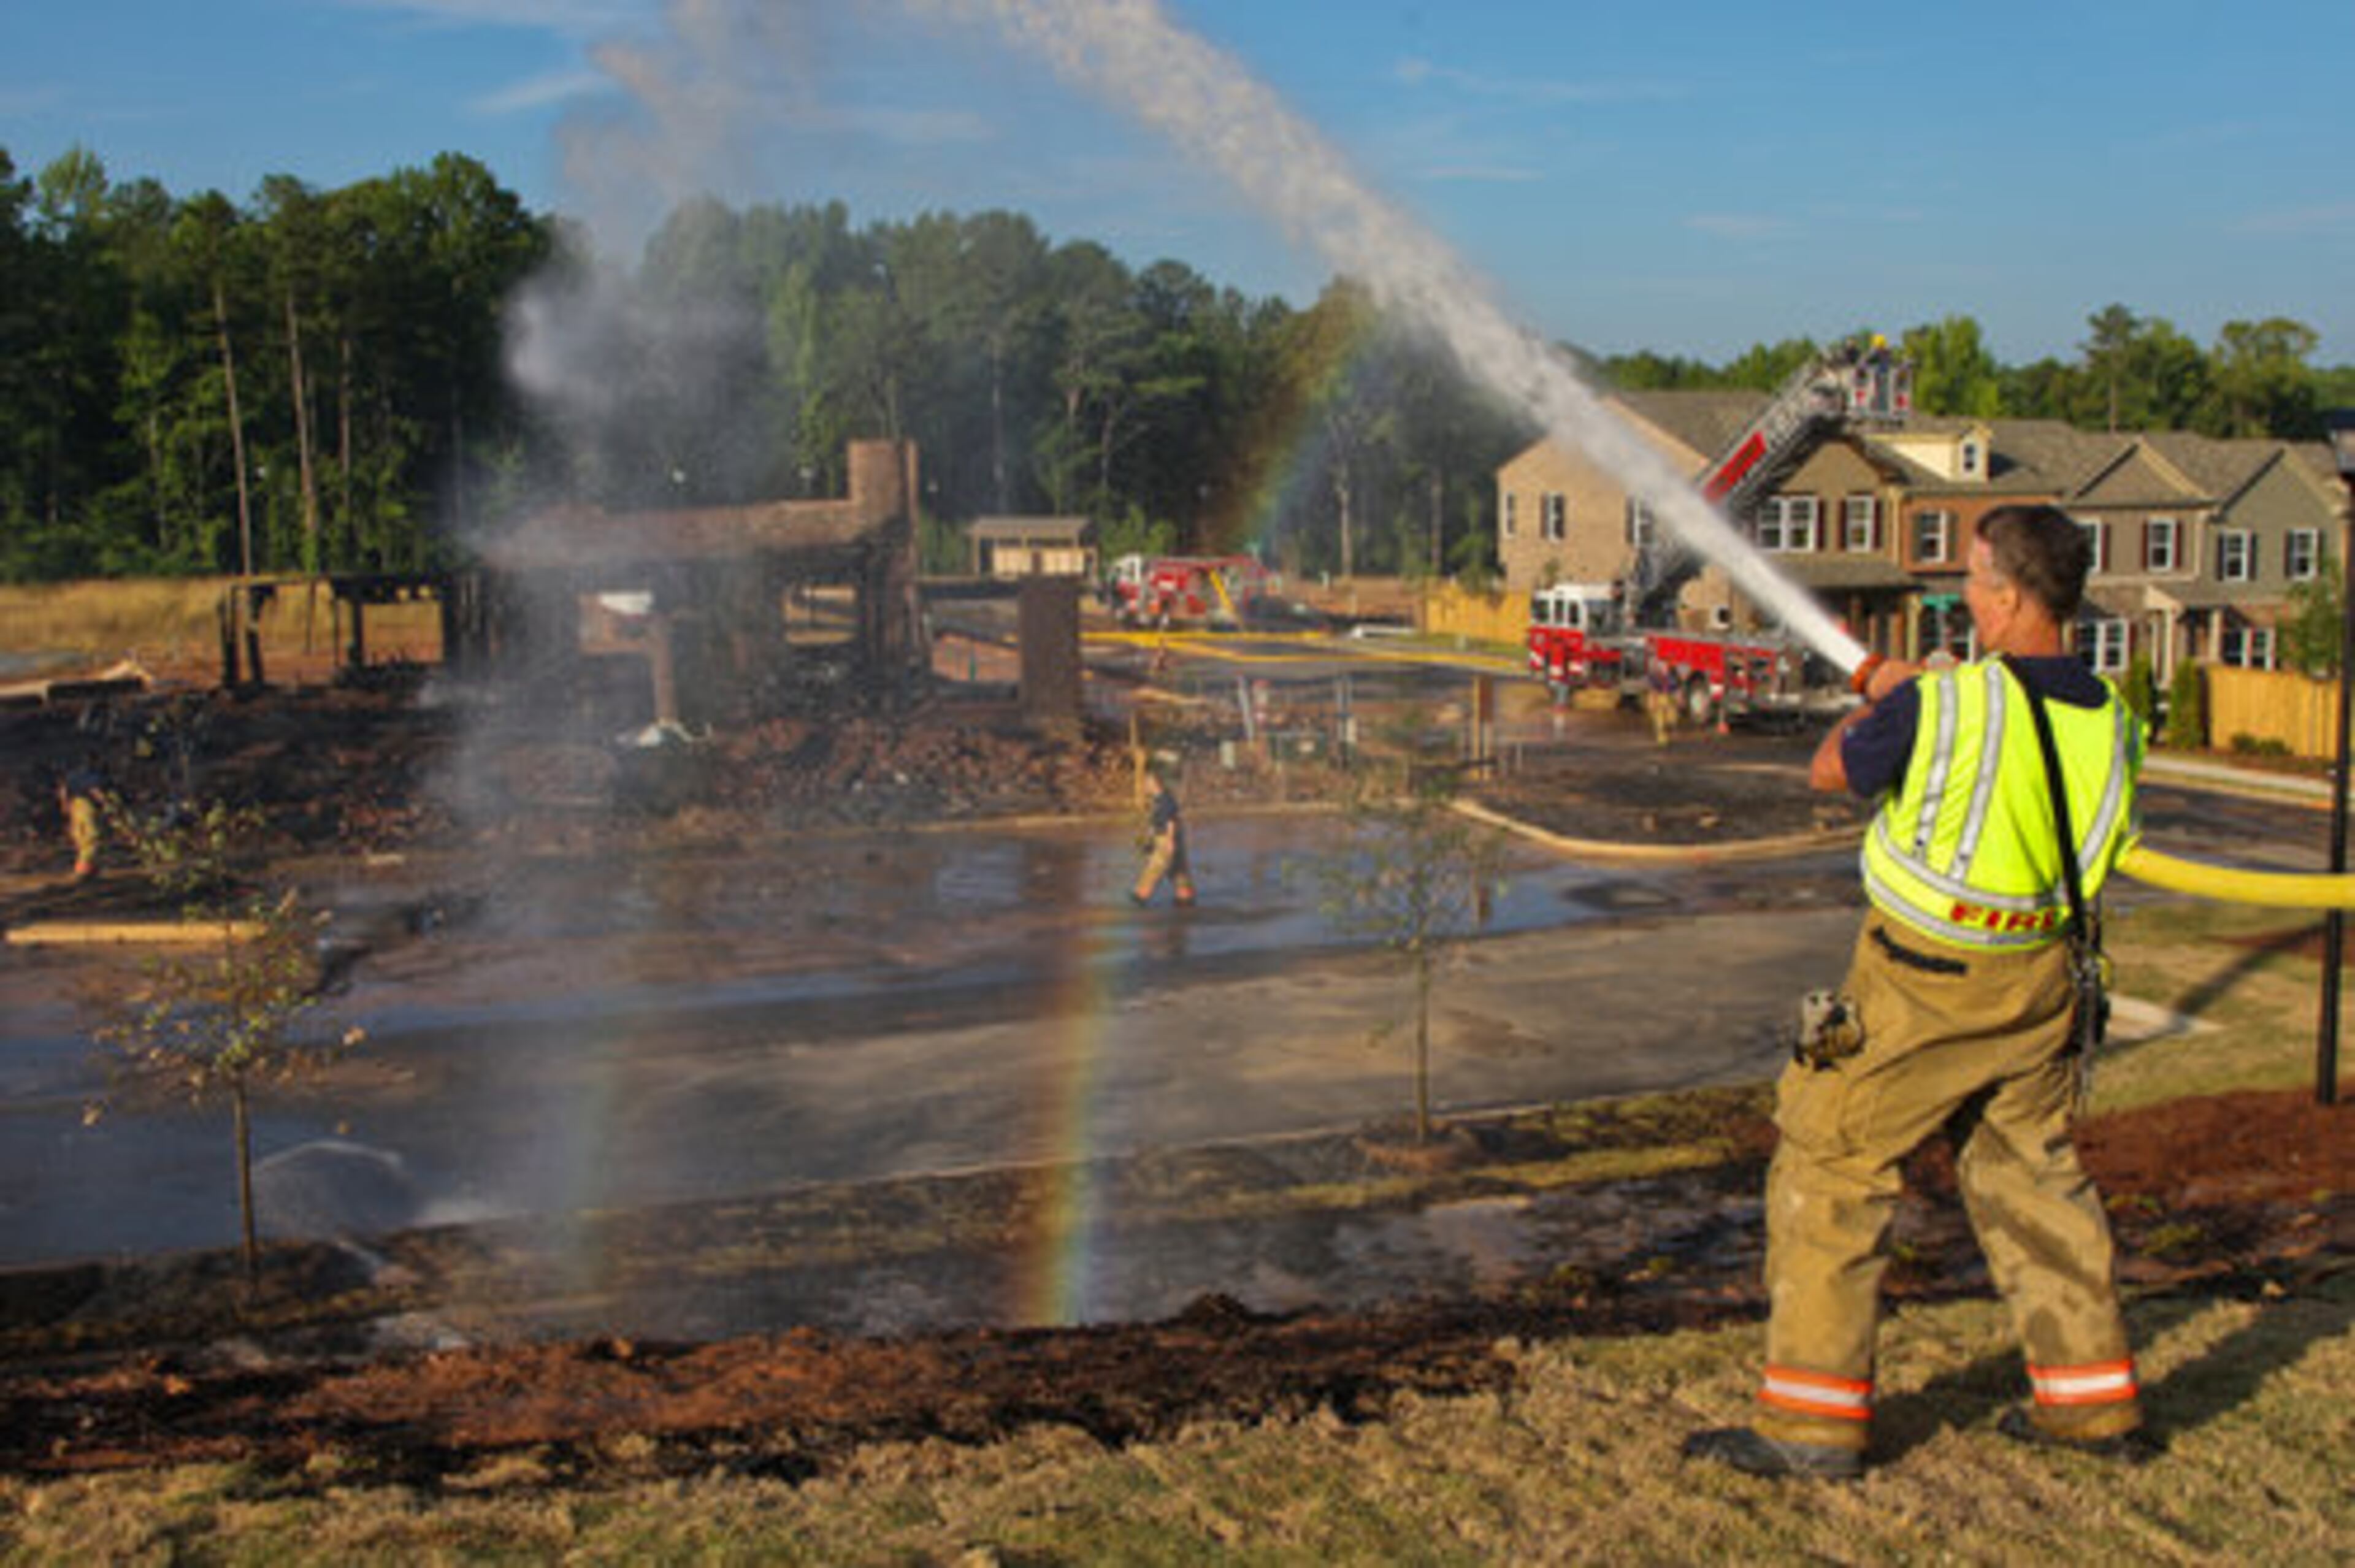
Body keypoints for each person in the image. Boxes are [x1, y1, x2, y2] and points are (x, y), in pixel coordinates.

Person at [1684, 504, 2151, 1481]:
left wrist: (1892, 701)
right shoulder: (2114, 718)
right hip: (2040, 985)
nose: (1964, 594)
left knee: (1827, 1159)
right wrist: (1915, 696)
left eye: (1976, 580)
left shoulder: (1946, 703)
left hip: (1915, 984)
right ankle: (2092, 1407)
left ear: (2013, 597)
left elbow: (1830, 771)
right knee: (2034, 1176)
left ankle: (1810, 1428)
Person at [1131, 765, 1197, 908]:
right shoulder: (1159, 800)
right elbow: (1156, 823)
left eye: (1147, 782)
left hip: (1166, 839)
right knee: (1178, 870)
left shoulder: (1166, 800)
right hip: (1167, 839)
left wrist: (1170, 841)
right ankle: (1185, 898)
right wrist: (1148, 839)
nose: (1145, 786)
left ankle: (1140, 896)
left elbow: (1171, 822)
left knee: (1155, 868)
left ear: (1156, 783)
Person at [58, 764, 107, 881]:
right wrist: (105, 802)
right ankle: (82, 868)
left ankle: (90, 868)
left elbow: (63, 791)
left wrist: (65, 805)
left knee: (80, 836)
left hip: (75, 805)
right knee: (92, 836)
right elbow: (95, 790)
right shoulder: (93, 775)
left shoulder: (72, 775)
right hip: (86, 805)